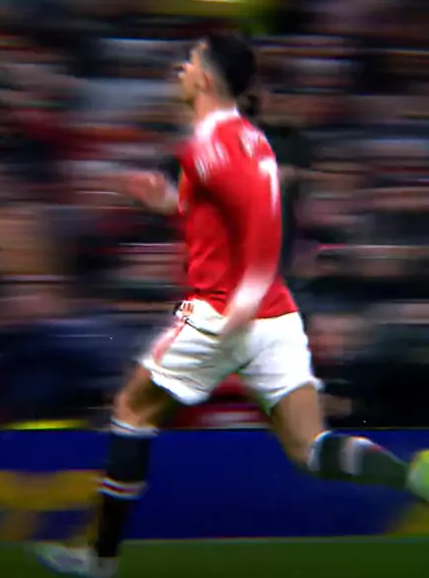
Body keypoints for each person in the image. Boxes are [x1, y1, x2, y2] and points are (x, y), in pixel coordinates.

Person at [36, 33, 429, 578]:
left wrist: (238, 307)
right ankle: (413, 477)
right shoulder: (240, 139)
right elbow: (220, 212)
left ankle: (100, 558)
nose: (180, 67)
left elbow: (261, 231)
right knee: (310, 448)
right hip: (275, 316)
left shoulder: (213, 144)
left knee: (131, 410)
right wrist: (167, 201)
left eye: (190, 60)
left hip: (223, 312)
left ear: (207, 78)